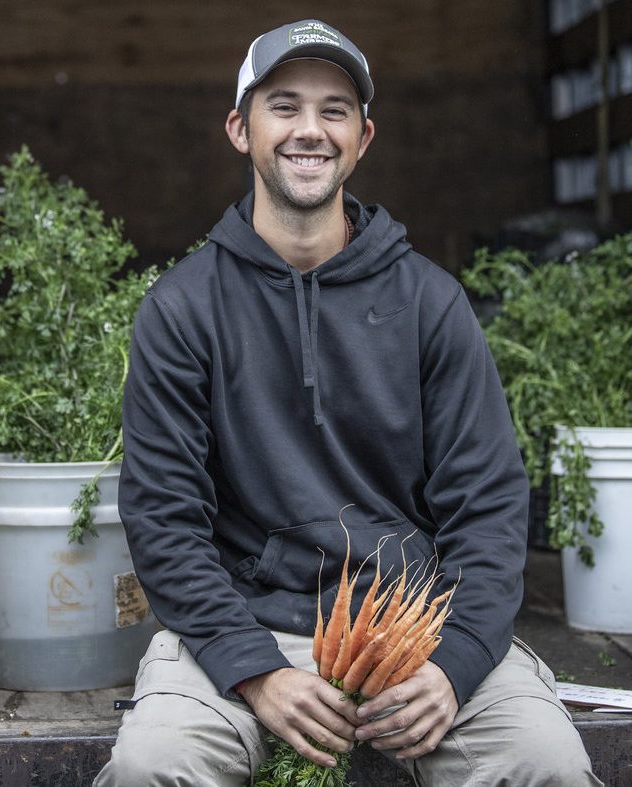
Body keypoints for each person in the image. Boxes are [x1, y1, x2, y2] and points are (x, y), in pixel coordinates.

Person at [94, 19, 601, 787]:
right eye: (284, 105)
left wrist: (456, 664)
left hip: (415, 633)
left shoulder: (431, 303)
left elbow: (490, 507)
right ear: (240, 128)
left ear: (363, 137)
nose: (310, 130)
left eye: (334, 110)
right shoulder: (183, 309)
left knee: (546, 759)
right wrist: (255, 672)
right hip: (249, 627)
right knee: (151, 764)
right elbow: (164, 520)